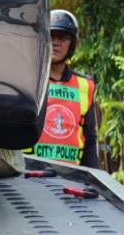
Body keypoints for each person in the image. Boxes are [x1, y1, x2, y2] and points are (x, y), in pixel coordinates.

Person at [30, 10, 100, 169]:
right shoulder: (29, 79)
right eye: (51, 36)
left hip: (72, 175)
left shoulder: (85, 85)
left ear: (72, 44)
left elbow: (90, 138)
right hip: (31, 172)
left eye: (62, 38)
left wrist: (93, 177)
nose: (56, 43)